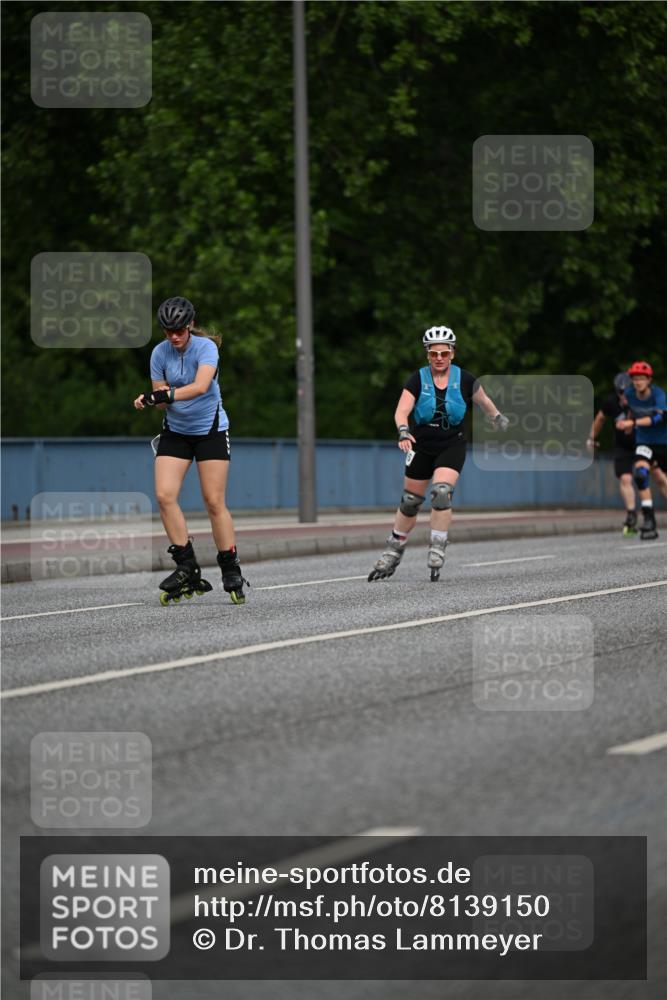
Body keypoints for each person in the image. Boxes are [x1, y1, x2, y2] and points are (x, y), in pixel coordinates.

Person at [368, 326, 508, 582]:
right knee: (410, 501)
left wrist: (497, 417)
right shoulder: (417, 379)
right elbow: (402, 411)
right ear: (428, 355)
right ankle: (394, 550)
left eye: (444, 353)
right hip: (421, 444)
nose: (439, 358)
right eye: (434, 354)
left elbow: (484, 401)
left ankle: (437, 545)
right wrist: (402, 431)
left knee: (441, 493)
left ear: (452, 353)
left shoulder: (465, 379)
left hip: (451, 444)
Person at [133, 296, 248, 604]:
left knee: (213, 501)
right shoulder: (159, 353)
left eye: (180, 330)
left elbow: (199, 386)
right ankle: (187, 567)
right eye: (168, 331)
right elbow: (165, 397)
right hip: (176, 432)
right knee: (164, 496)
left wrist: (164, 394)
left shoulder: (206, 348)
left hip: (210, 430)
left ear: (190, 325)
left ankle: (230, 567)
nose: (174, 337)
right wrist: (151, 399)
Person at [615, 360, 667, 540]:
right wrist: (628, 422)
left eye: (642, 378)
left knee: (663, 479)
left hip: (663, 442)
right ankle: (649, 519)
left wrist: (633, 423)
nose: (638, 382)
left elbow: (657, 420)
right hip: (644, 442)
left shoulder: (658, 394)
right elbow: (631, 411)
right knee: (641, 474)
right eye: (635, 378)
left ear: (649, 379)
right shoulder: (629, 393)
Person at [587, 372, 639, 535]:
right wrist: (591, 438)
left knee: (655, 474)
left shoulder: (644, 401)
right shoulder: (611, 402)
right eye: (620, 393)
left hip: (643, 442)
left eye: (627, 393)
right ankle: (631, 515)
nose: (624, 397)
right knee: (625, 478)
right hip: (623, 446)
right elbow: (600, 419)